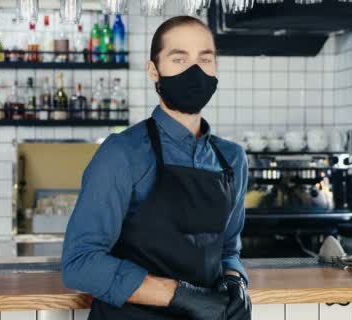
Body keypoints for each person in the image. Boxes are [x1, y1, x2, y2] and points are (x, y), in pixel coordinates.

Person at [61, 15, 252, 320]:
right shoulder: (122, 153)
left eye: (205, 59)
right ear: (154, 70)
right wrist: (180, 295)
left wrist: (235, 279)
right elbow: (80, 262)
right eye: (179, 59)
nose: (195, 70)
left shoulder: (232, 159)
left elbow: (228, 248)